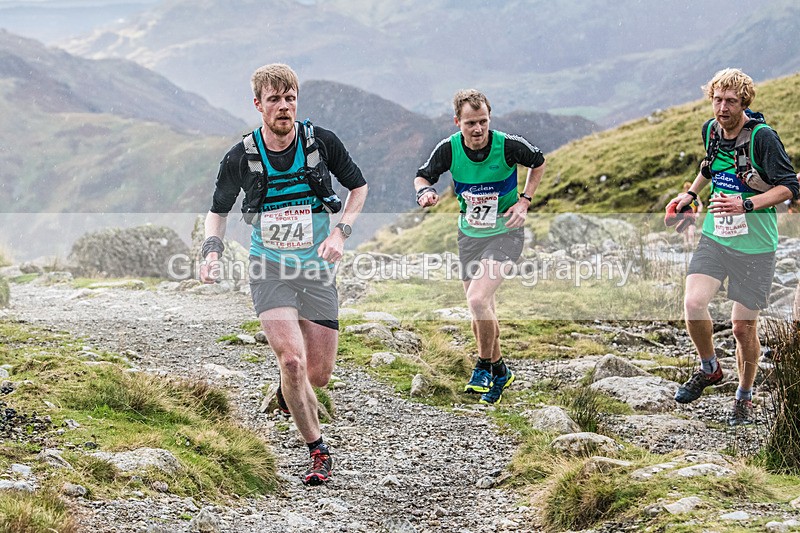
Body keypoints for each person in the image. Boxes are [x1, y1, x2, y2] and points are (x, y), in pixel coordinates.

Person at [199, 63, 368, 485]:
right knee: (292, 361)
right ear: (258, 105)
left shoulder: (321, 143)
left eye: (289, 98)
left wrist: (341, 234)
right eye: (274, 99)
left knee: (318, 375)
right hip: (268, 268)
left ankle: (285, 391)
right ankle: (318, 450)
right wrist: (212, 251)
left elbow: (359, 188)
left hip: (316, 268)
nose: (284, 106)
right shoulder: (241, 156)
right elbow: (217, 212)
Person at [667, 68, 799, 425]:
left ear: (744, 103)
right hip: (716, 236)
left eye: (731, 101)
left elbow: (789, 187)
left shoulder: (762, 139)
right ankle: (709, 367)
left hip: (756, 245)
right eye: (717, 99)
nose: (722, 108)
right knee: (693, 303)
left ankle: (744, 394)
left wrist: (747, 204)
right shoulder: (711, 130)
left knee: (742, 328)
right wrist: (691, 194)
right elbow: (710, 167)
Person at [414, 89, 546, 405]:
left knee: (476, 299)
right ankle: (501, 372)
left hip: (506, 234)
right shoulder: (448, 149)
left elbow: (538, 162)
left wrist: (525, 201)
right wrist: (425, 193)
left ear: (489, 119)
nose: (477, 130)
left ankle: (483, 366)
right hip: (469, 236)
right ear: (457, 121)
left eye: (483, 122)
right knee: (481, 310)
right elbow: (422, 176)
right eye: (470, 123)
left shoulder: (507, 145)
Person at [681, 181, 703, 249]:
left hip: (692, 216)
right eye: (686, 188)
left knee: (691, 232)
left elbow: (699, 205)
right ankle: (686, 246)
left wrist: (698, 212)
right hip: (683, 217)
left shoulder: (695, 197)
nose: (687, 189)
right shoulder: (681, 196)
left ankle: (691, 245)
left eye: (688, 188)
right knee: (685, 232)